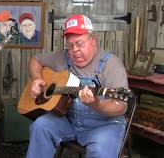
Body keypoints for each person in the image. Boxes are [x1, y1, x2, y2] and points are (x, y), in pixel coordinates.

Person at [26, 14, 128, 158]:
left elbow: (120, 107)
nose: (75, 50)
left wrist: (96, 104)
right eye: (70, 45)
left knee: (100, 153)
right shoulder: (61, 57)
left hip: (104, 126)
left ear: (93, 40)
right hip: (69, 121)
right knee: (40, 126)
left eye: (80, 43)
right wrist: (37, 78)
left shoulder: (111, 65)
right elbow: (34, 60)